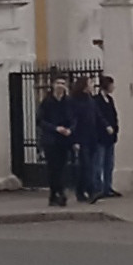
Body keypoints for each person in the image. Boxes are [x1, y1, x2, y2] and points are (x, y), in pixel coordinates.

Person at [35, 78, 75, 208]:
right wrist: (55, 128)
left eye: (63, 84)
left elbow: (74, 119)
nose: (60, 86)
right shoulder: (47, 102)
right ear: (53, 85)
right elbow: (40, 121)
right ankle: (57, 193)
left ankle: (56, 194)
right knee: (53, 167)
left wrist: (70, 130)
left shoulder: (68, 102)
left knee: (62, 167)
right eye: (58, 83)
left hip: (64, 139)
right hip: (50, 140)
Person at [68, 74, 105, 202]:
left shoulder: (90, 100)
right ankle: (91, 191)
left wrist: (106, 126)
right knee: (86, 165)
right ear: (84, 85)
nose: (92, 85)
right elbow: (73, 120)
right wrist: (74, 140)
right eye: (90, 83)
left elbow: (97, 115)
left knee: (89, 166)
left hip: (92, 137)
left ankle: (80, 191)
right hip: (81, 137)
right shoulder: (74, 101)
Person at [89, 75, 119, 198]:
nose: (113, 87)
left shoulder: (110, 100)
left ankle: (108, 187)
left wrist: (115, 128)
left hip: (110, 137)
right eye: (111, 85)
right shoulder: (96, 100)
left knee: (109, 164)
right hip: (101, 136)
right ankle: (98, 188)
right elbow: (98, 117)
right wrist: (106, 126)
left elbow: (114, 115)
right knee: (99, 163)